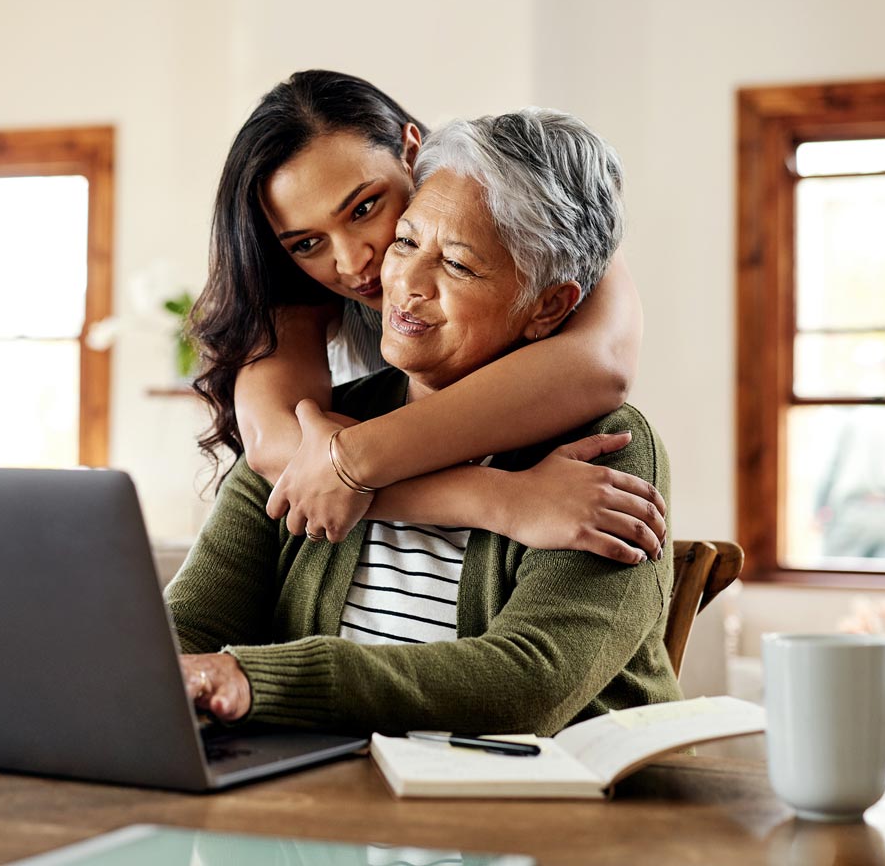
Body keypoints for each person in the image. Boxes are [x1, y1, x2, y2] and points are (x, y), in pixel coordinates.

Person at [167, 110, 681, 736]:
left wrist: (258, 679)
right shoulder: (318, 433)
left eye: (459, 266)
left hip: (549, 817)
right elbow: (184, 629)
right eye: (406, 242)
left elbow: (526, 686)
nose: (400, 282)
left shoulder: (610, 448)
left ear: (548, 307)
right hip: (335, 812)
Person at [190, 71, 664, 563]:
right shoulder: (294, 291)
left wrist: (353, 461)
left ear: (411, 152)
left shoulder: (531, 207)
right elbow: (278, 450)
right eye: (308, 243)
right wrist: (498, 499)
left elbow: (599, 366)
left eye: (364, 208)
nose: (353, 263)